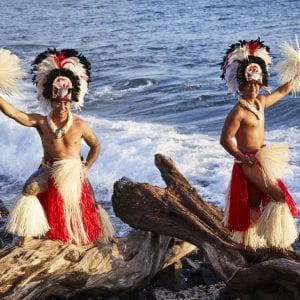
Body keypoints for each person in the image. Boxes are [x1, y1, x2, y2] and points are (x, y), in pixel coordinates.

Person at [1, 48, 115, 246]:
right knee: (29, 189)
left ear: (70, 101)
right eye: (58, 102)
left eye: (65, 102)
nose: (62, 106)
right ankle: (27, 233)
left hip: (74, 170)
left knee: (91, 203)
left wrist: (86, 167)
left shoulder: (80, 124)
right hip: (49, 168)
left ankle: (104, 235)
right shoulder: (42, 122)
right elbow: (15, 114)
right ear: (50, 101)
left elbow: (96, 145)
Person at [219, 38, 299, 250]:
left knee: (254, 203)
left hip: (261, 157)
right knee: (278, 195)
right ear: (242, 86)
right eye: (249, 84)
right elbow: (225, 139)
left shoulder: (260, 103)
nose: (254, 88)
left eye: (257, 83)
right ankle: (279, 241)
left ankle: (250, 244)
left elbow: (281, 91)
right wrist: (243, 157)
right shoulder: (238, 111)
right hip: (247, 163)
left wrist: (296, 74)